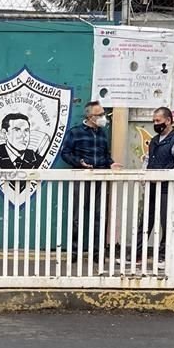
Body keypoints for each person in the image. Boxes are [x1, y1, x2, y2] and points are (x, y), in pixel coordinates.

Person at [59, 101, 122, 262]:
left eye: (103, 114)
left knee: (99, 216)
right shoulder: (75, 133)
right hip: (81, 177)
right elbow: (65, 153)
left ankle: (97, 253)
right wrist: (79, 162)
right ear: (90, 116)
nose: (103, 117)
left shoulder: (102, 133)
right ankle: (74, 252)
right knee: (77, 217)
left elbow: (105, 154)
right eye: (99, 114)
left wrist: (110, 163)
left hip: (100, 178)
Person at [139, 107, 174, 261]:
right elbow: (148, 159)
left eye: (158, 121)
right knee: (145, 220)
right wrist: (145, 175)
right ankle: (137, 253)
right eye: (154, 121)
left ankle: (163, 255)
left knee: (167, 222)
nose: (155, 123)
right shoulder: (154, 140)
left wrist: (162, 177)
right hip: (151, 186)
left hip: (168, 188)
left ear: (168, 121)